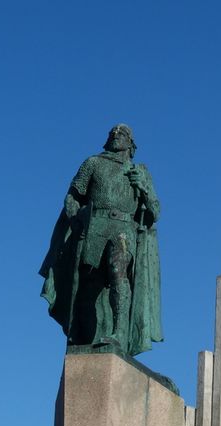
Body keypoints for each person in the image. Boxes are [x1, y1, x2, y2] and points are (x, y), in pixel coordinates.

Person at [39, 124, 163, 356]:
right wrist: (75, 220)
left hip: (122, 228)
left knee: (118, 271)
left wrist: (144, 188)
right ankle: (87, 335)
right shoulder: (93, 163)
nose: (116, 135)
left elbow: (155, 211)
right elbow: (72, 197)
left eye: (122, 134)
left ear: (131, 144)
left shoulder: (139, 171)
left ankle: (118, 333)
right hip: (94, 226)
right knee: (89, 284)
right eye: (112, 133)